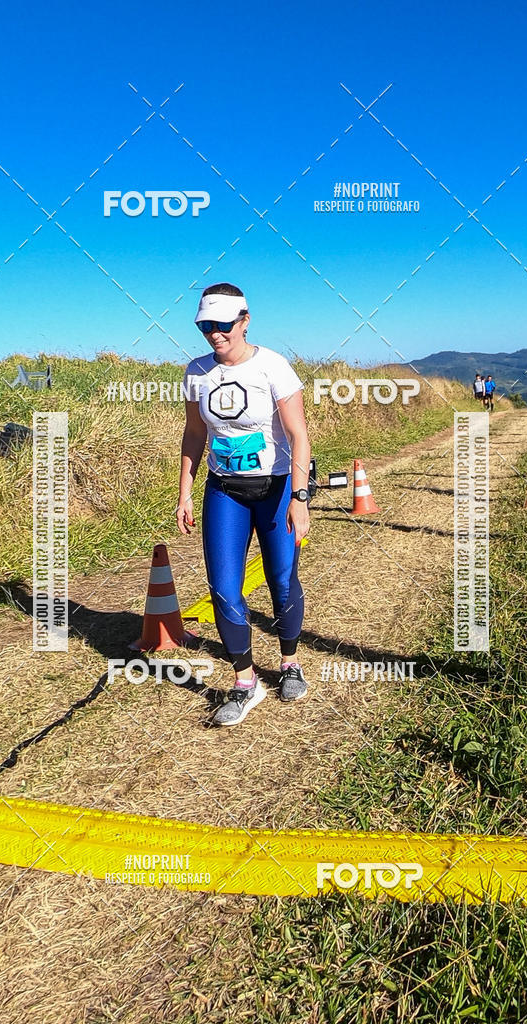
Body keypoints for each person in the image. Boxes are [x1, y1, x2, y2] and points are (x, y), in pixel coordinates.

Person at [177, 282, 311, 727]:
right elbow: (195, 434)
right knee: (223, 588)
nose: (214, 333)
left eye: (222, 324)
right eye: (204, 325)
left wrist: (299, 497)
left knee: (282, 581)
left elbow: (297, 436)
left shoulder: (273, 366)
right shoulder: (196, 372)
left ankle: (289, 663)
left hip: (274, 490)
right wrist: (184, 491)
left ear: (244, 320)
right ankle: (245, 680)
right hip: (224, 490)